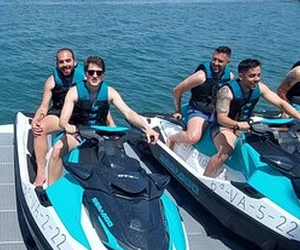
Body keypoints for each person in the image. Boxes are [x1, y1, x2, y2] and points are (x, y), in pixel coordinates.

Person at [47, 56, 159, 185]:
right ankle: (51, 189)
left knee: (117, 158)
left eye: (98, 73)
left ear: (103, 75)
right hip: (78, 132)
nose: (95, 76)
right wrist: (67, 126)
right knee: (57, 149)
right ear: (85, 74)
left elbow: (128, 113)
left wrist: (147, 128)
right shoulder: (74, 92)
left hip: (101, 134)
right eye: (91, 72)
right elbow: (63, 120)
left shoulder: (110, 92)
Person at [204, 58, 300, 178]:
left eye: (258, 75)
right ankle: (206, 178)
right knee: (225, 153)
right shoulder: (226, 92)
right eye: (252, 76)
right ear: (241, 76)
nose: (256, 79)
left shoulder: (260, 87)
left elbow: (281, 103)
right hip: (223, 127)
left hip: (246, 125)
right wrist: (237, 124)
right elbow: (221, 118)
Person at [31, 48, 84, 186]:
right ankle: (41, 171)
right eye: (61, 62)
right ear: (57, 64)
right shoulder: (52, 81)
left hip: (79, 115)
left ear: (75, 62)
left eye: (68, 61)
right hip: (59, 114)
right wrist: (36, 120)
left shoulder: (85, 78)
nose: (65, 64)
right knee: (40, 128)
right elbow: (44, 106)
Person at [167, 46, 232, 148]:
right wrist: (178, 111)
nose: (215, 63)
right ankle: (172, 138)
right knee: (193, 137)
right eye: (214, 59)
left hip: (216, 112)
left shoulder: (229, 76)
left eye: (220, 61)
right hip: (198, 110)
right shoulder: (200, 76)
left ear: (228, 62)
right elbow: (177, 90)